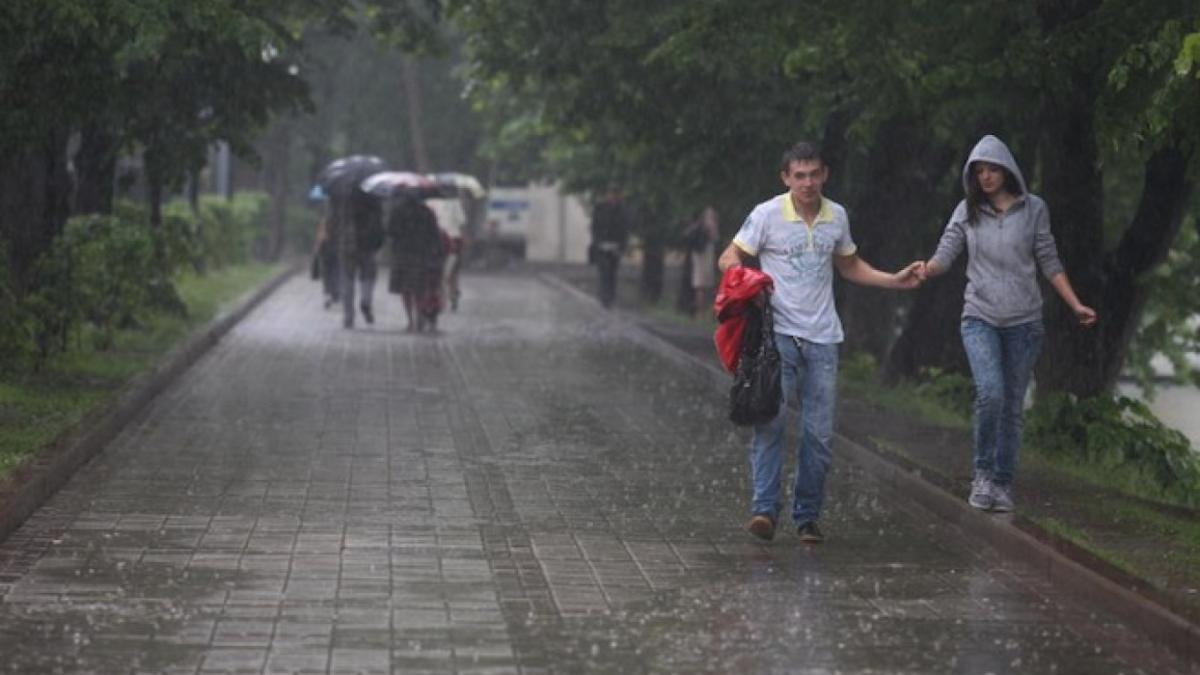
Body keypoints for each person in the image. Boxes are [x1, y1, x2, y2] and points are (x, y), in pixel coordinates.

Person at [717, 141, 923, 544]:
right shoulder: (767, 214)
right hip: (778, 339)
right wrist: (749, 287)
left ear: (824, 174)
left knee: (820, 434)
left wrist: (894, 280)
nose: (807, 183)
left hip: (824, 339)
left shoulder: (837, 217)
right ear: (786, 178)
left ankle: (807, 517)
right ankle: (764, 511)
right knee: (770, 422)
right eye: (799, 175)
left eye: (813, 174)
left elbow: (849, 266)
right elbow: (729, 258)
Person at [915, 134, 1096, 513]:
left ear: (1007, 170)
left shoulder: (1034, 210)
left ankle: (1002, 482)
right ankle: (982, 474)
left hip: (1024, 323)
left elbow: (1049, 261)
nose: (985, 177)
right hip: (979, 316)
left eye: (992, 169)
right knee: (990, 393)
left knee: (1012, 405)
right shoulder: (967, 210)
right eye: (978, 171)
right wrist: (925, 270)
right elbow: (945, 253)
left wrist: (1076, 304)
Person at [388, 196, 445, 332]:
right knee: (420, 289)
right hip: (421, 254)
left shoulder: (397, 211)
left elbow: (390, 231)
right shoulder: (427, 212)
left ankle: (410, 320)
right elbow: (434, 234)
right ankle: (419, 315)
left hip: (402, 254)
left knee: (405, 290)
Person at [338, 188, 384, 328]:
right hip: (367, 245)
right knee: (368, 275)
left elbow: (335, 220)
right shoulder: (374, 198)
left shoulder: (344, 199)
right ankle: (366, 300)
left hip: (348, 244)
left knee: (347, 279)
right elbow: (379, 223)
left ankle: (348, 315)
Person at [589, 188, 631, 309]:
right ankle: (604, 297)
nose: (611, 196)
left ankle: (611, 296)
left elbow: (625, 229)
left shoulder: (623, 209)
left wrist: (622, 246)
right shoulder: (600, 207)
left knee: (612, 271)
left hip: (615, 246)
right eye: (609, 194)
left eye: (614, 194)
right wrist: (597, 242)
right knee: (604, 270)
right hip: (602, 245)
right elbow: (594, 227)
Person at [427, 196, 468, 311]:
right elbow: (462, 221)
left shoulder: (430, 202)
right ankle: (451, 294)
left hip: (437, 241)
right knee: (452, 272)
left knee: (440, 272)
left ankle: (444, 297)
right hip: (453, 240)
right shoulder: (454, 202)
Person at [688, 206, 720, 320]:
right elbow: (715, 238)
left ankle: (699, 312)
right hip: (706, 253)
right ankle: (702, 312)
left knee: (699, 284)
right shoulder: (710, 225)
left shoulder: (697, 225)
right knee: (704, 285)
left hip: (697, 254)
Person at [313, 216, 340, 309]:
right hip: (335, 257)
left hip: (325, 258)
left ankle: (327, 296)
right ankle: (334, 294)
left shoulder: (322, 234)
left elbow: (318, 248)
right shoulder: (337, 233)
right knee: (335, 276)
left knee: (327, 279)